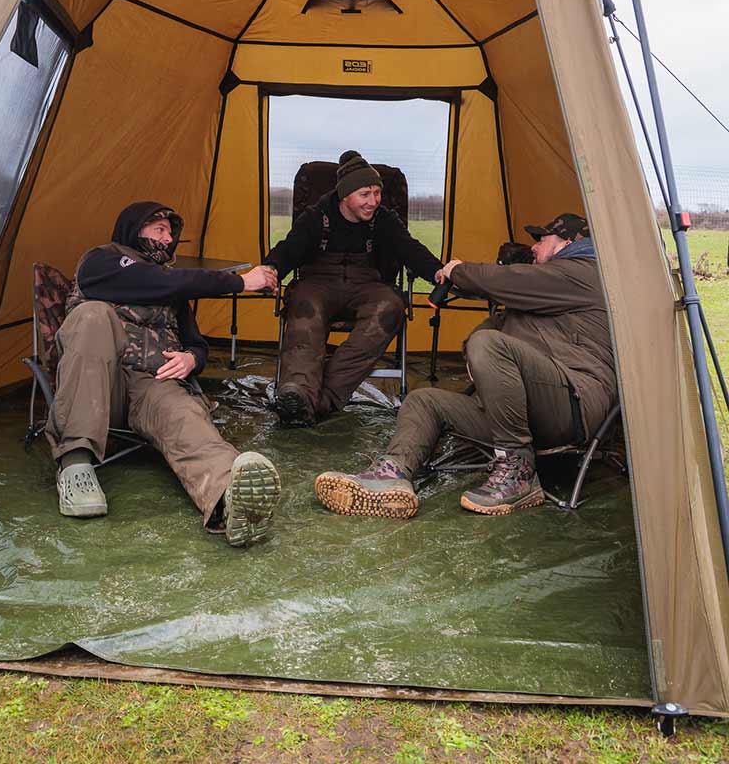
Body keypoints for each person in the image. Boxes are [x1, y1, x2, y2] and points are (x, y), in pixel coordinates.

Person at [314, 212, 617, 517]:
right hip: (520, 413)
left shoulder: (586, 272)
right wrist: (480, 348)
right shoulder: (539, 292)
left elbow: (509, 283)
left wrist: (459, 271)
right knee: (424, 400)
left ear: (566, 243)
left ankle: (518, 472)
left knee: (488, 344)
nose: (534, 247)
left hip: (571, 402)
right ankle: (392, 475)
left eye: (542, 239)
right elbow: (486, 332)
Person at [48, 200, 281, 547]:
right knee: (93, 315)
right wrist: (239, 281)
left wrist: (191, 359)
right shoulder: (100, 262)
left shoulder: (173, 290)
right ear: (134, 229)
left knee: (184, 414)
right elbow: (152, 280)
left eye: (171, 233)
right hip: (100, 383)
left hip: (153, 383)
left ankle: (229, 499)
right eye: (160, 229)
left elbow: (197, 344)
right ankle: (75, 463)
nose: (168, 238)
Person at [264, 151, 445, 426]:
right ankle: (298, 390)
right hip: (318, 284)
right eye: (365, 194)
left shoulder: (383, 219)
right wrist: (271, 269)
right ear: (345, 196)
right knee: (304, 311)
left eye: (377, 193)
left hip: (367, 285)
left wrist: (437, 271)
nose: (373, 201)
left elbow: (410, 248)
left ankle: (317, 401)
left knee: (390, 310)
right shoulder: (317, 216)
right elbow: (289, 248)